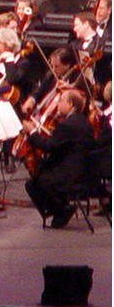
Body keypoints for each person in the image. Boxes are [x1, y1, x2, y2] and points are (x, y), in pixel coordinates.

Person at [22, 89, 94, 228]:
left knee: (35, 182)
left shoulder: (67, 125)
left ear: (71, 104)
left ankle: (61, 210)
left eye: (61, 101)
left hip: (71, 174)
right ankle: (61, 207)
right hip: (83, 170)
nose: (58, 104)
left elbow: (48, 146)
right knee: (40, 174)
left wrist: (32, 132)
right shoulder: (83, 121)